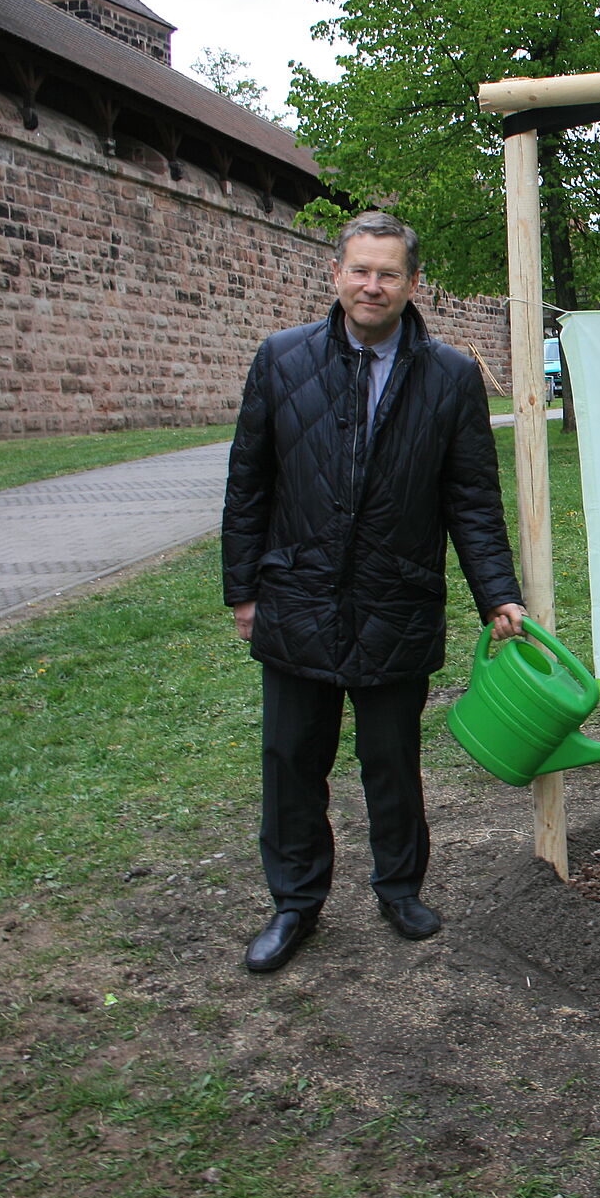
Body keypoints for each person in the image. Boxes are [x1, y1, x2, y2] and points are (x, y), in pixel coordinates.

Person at [221, 211, 525, 973]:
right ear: (336, 275)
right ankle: (295, 903)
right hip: (298, 595)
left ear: (413, 284)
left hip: (398, 597)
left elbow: (472, 501)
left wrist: (498, 594)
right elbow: (248, 485)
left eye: (389, 273)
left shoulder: (450, 376)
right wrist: (242, 591)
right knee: (292, 758)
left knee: (391, 760)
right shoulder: (282, 359)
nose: (373, 285)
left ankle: (399, 889)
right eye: (360, 270)